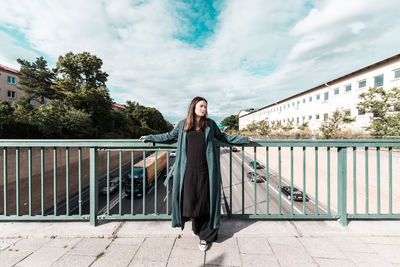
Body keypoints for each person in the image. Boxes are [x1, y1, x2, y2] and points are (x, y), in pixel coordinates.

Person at [140, 96, 251, 251]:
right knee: (191, 201)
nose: (204, 109)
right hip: (188, 170)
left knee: (205, 202)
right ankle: (196, 227)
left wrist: (243, 139)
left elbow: (223, 137)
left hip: (206, 170)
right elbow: (167, 136)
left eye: (205, 106)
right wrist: (149, 137)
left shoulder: (210, 124)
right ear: (193, 107)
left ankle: (205, 237)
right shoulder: (182, 125)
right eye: (201, 106)